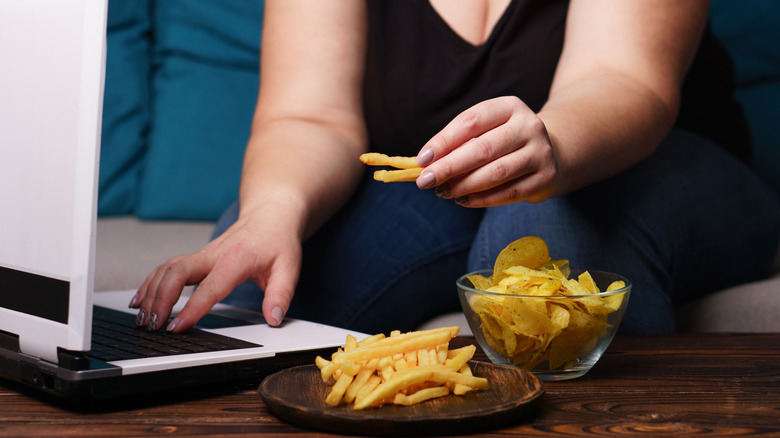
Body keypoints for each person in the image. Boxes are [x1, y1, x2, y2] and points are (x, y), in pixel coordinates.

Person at [130, 0, 780, 335]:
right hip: (431, 179)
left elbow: (624, 78)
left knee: (542, 252)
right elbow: (309, 116)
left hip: (641, 160)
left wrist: (547, 143)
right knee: (246, 288)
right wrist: (273, 215)